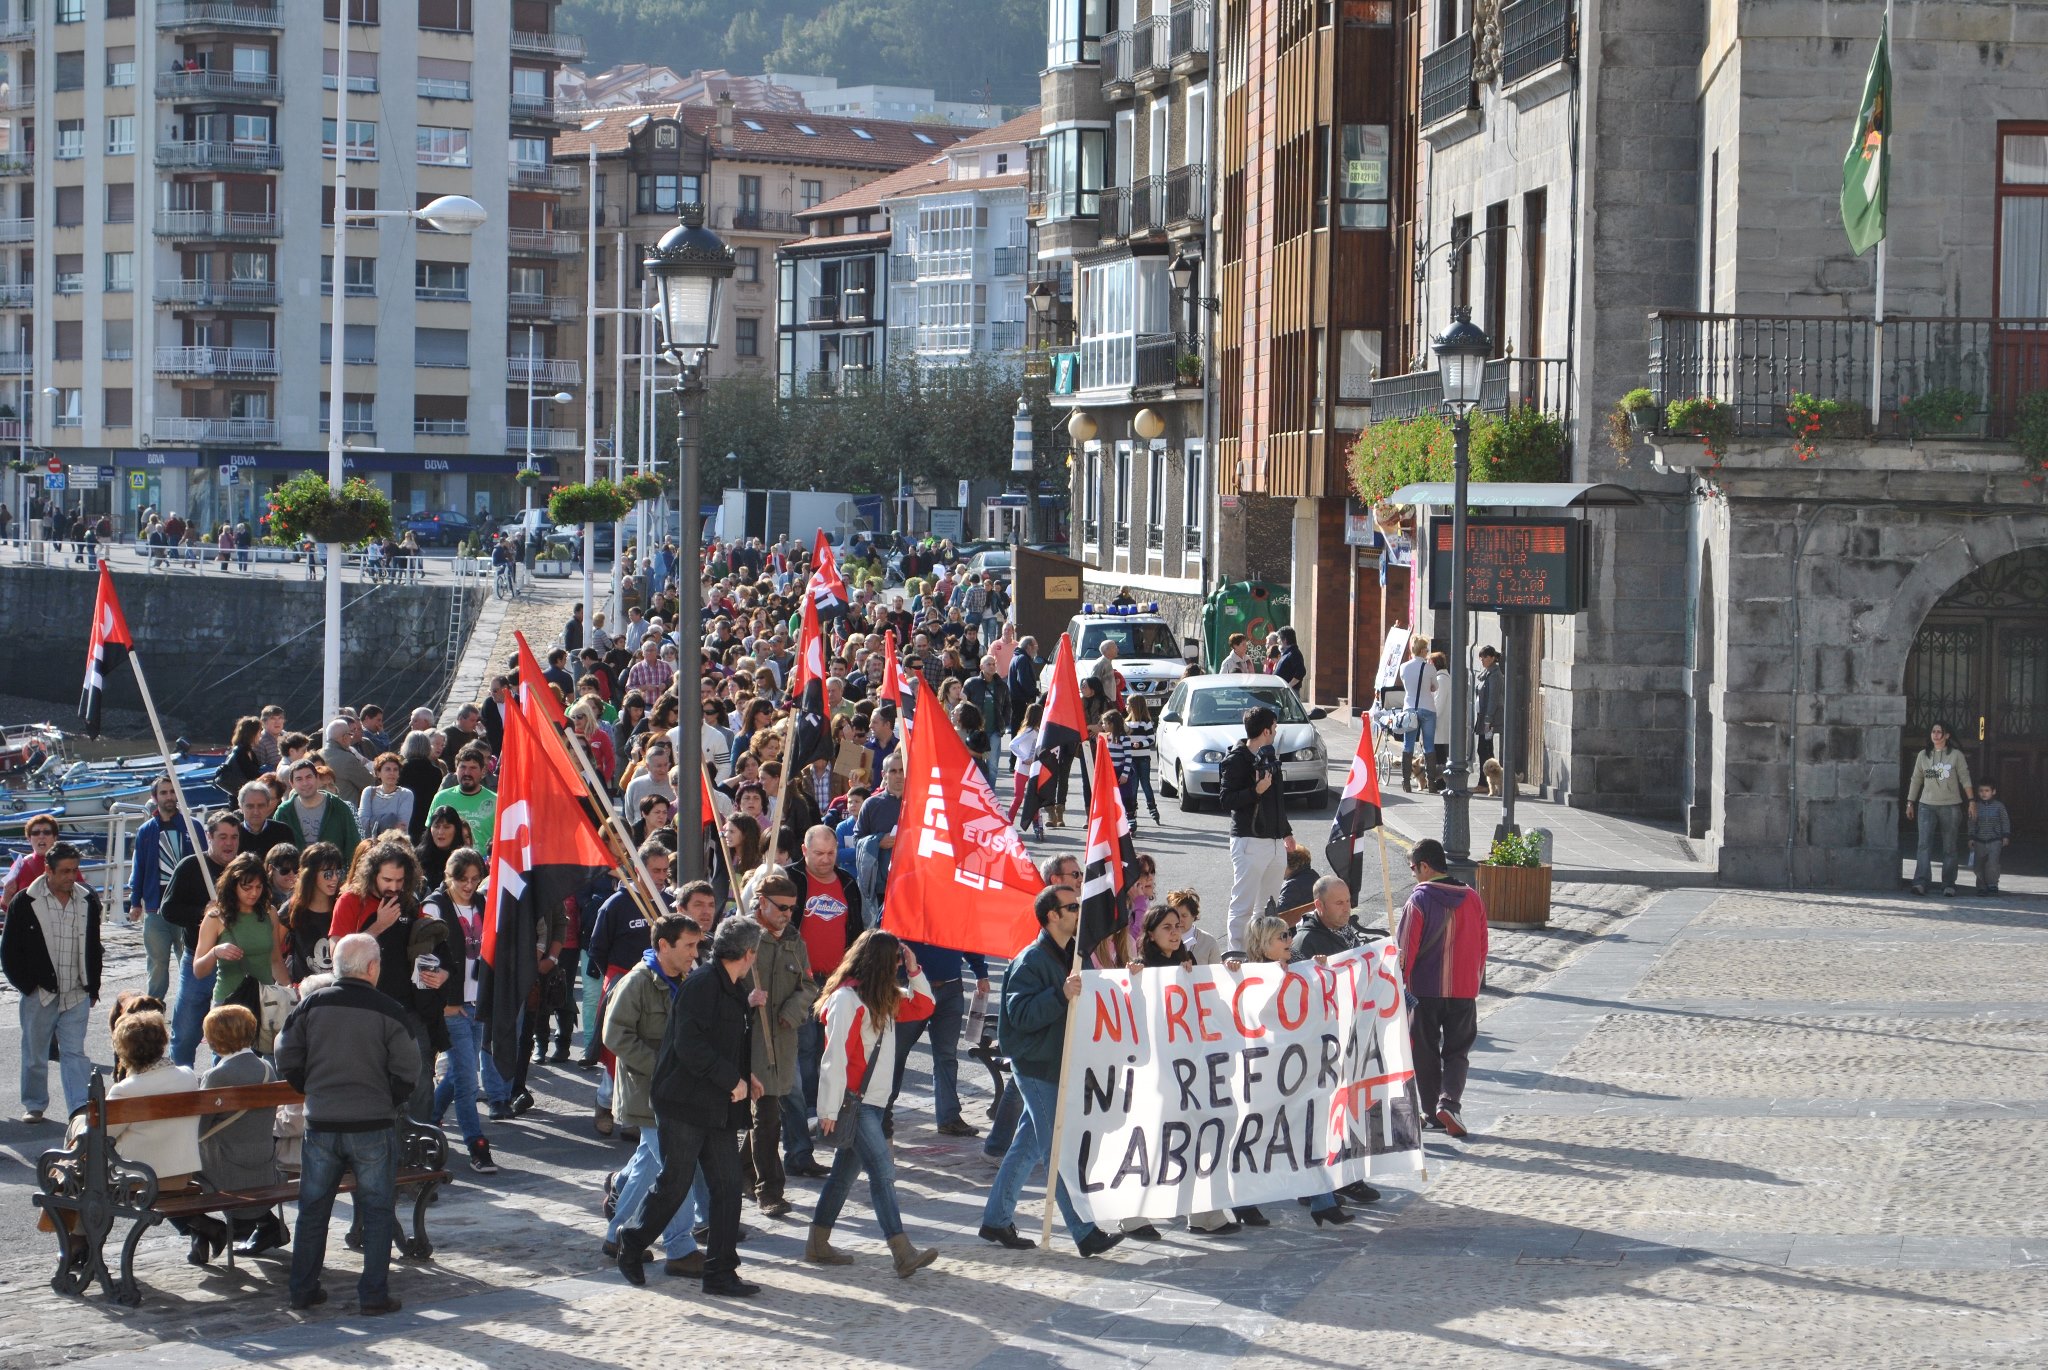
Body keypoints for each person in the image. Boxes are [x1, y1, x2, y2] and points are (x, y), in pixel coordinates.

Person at [613, 917, 763, 1296]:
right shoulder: (702, 985)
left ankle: (720, 1272)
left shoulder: (733, 985)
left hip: (717, 1105)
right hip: (683, 1102)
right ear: (749, 954)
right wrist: (732, 1080)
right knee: (675, 1184)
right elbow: (689, 1046)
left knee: (728, 1187)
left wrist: (747, 1075)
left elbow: (731, 1041)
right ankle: (631, 1243)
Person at [276, 932, 420, 1314]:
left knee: (313, 1209)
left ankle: (302, 1290)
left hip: (322, 1121)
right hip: (372, 1123)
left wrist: (310, 1088)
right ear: (372, 968)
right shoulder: (389, 1010)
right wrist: (387, 1097)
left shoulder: (310, 1006)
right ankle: (373, 1295)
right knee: (376, 1210)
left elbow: (285, 1054)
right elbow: (409, 1069)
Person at [978, 885, 1122, 1258]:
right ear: (1052, 916)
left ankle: (995, 1220)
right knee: (1055, 1149)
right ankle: (1084, 1232)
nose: (1079, 911)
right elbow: (1021, 1016)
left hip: (1062, 1062)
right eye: (1072, 906)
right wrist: (1061, 993)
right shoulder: (1031, 960)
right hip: (1038, 1065)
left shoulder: (1075, 955)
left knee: (1027, 1145)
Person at [806, 931, 939, 1276]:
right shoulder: (847, 1000)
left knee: (842, 1177)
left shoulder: (882, 996)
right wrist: (828, 1110)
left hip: (873, 1103)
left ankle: (817, 1244)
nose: (898, 966)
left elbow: (925, 1005)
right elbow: (834, 1058)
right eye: (895, 960)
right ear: (881, 964)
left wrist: (914, 968)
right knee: (882, 1171)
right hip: (857, 1103)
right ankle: (901, 1250)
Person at [781, 824, 863, 1174]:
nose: (826, 860)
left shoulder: (846, 881)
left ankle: (820, 1117)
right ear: (804, 850)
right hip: (800, 981)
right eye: (819, 854)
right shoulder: (790, 881)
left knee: (832, 1052)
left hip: (837, 982)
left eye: (831, 853)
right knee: (803, 1053)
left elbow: (857, 931)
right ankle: (805, 1126)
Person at [3, 842, 101, 1124]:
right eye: (65, 871)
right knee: (35, 1052)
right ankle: (34, 1104)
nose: (71, 876)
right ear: (48, 870)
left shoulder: (87, 900)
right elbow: (9, 951)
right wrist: (27, 986)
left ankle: (79, 1109)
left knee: (74, 1053)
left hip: (76, 990)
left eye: (75, 870)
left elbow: (94, 946)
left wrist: (92, 986)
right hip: (40, 991)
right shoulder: (25, 901)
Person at [1399, 839, 1489, 1140]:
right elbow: (1482, 944)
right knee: (1457, 1051)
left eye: (1413, 868)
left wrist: (1399, 983)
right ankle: (1449, 1102)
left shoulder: (1419, 900)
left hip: (1424, 989)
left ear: (1425, 866)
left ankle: (1431, 1110)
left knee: (1423, 1050)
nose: (1413, 874)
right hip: (1463, 989)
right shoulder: (1472, 898)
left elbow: (1406, 950)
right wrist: (1473, 981)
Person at [741, 875, 816, 1219]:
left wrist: (793, 1011)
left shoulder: (794, 941)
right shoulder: (741, 936)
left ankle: (744, 1173)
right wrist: (746, 1000)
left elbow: (808, 985)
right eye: (782, 907)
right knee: (767, 1117)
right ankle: (769, 1189)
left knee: (767, 1115)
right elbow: (718, 983)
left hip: (782, 1040)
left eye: (791, 908)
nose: (788, 914)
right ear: (762, 902)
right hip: (748, 1040)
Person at [422, 848, 498, 1175]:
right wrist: (444, 1000)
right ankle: (477, 1145)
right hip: (451, 1006)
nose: (469, 886)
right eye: (462, 879)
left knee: (458, 1073)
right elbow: (425, 960)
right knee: (468, 1078)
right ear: (447, 877)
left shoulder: (482, 904)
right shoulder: (433, 907)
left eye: (474, 879)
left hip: (476, 1001)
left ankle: (428, 1121)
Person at [199, 1004, 289, 1256]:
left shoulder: (215, 1076)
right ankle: (259, 1223)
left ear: (216, 1040)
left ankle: (202, 1229)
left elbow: (200, 1128)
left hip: (225, 1167)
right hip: (263, 1160)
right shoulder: (265, 1068)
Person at [164, 812, 241, 1066]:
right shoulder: (190, 866)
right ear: (208, 837)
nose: (228, 843)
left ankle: (221, 1084)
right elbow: (169, 910)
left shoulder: (243, 869)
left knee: (228, 1030)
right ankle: (180, 1085)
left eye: (233, 837)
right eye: (222, 837)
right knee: (186, 1029)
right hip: (198, 957)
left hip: (235, 959)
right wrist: (202, 911)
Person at [1218, 705, 1291, 956]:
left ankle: (1264, 954)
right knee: (1244, 905)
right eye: (1275, 727)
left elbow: (1278, 801)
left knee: (1269, 905)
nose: (1276, 731)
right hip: (1249, 840)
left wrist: (1287, 832)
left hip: (1273, 840)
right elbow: (1226, 800)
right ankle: (1237, 955)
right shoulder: (1236, 759)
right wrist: (1255, 791)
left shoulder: (1270, 757)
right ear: (1266, 730)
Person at [126, 779, 202, 1002]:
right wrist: (135, 902)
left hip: (185, 907)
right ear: (155, 797)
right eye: (163, 792)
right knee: (157, 962)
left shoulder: (192, 826)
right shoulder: (146, 830)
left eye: (172, 792)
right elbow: (139, 867)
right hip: (155, 907)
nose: (169, 796)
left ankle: (189, 1003)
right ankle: (154, 1005)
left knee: (186, 958)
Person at [192, 851, 288, 1019]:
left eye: (259, 887)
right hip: (228, 1003)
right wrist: (215, 952)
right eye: (247, 887)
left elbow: (276, 960)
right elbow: (198, 971)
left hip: (265, 1001)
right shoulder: (215, 917)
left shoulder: (269, 913)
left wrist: (289, 992)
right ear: (233, 885)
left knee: (268, 1046)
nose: (253, 893)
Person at [1905, 721, 1974, 897]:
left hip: (1950, 806)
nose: (1936, 735)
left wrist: (1971, 800)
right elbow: (1916, 779)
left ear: (1947, 735)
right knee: (1923, 845)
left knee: (1949, 847)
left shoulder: (1956, 755)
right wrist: (1910, 802)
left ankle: (1948, 884)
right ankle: (1921, 882)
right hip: (1926, 805)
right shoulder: (1923, 755)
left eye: (1939, 732)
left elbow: (1965, 777)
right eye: (1933, 731)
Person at [282, 843, 345, 984]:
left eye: (338, 872)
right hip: (304, 992)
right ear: (310, 875)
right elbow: (274, 955)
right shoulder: (292, 908)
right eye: (328, 873)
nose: (335, 878)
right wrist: (289, 988)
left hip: (337, 989)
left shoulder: (343, 905)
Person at [278, 757, 362, 855]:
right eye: (299, 779)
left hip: (333, 869)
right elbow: (277, 852)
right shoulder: (284, 812)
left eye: (309, 777)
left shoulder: (339, 808)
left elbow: (353, 847)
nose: (305, 783)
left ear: (317, 779)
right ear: (292, 784)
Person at [432, 744, 498, 858]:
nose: (467, 773)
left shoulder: (496, 801)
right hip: (448, 865)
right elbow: (430, 836)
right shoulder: (441, 798)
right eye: (462, 767)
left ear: (483, 772)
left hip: (484, 867)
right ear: (456, 770)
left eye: (473, 768)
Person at [1397, 635, 1439, 793]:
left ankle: (1406, 782)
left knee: (1408, 745)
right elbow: (1435, 687)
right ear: (1422, 650)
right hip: (1427, 707)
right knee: (1429, 746)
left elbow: (1406, 684)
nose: (1428, 652)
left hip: (1409, 709)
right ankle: (1432, 783)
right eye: (1427, 650)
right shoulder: (1430, 668)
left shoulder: (1404, 667)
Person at [319, 719, 376, 808]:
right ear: (344, 737)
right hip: (347, 812)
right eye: (350, 734)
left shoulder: (318, 755)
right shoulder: (347, 759)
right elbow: (370, 783)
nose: (351, 737)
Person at [357, 753, 414, 839]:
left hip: (396, 844)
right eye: (387, 769)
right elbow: (362, 823)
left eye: (395, 770)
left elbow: (401, 827)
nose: (392, 773)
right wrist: (390, 821)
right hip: (372, 846)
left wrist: (373, 822)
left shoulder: (406, 794)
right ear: (378, 773)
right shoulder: (369, 792)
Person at [1970, 780, 2012, 895]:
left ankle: (1992, 884)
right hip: (1979, 840)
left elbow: (2005, 821)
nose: (1984, 793)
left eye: (1987, 791)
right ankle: (1981, 886)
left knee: (1992, 863)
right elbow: (1971, 822)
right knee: (1978, 865)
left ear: (1993, 792)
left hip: (1995, 840)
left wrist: (2005, 835)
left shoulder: (1999, 806)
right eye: (1981, 791)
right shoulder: (1975, 806)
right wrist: (1971, 837)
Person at [1473, 646, 1503, 770]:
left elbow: (1493, 699)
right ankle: (1485, 782)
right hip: (1483, 717)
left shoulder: (1495, 675)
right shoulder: (1486, 673)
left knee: (1485, 749)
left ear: (1492, 658)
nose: (1482, 660)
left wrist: (1488, 720)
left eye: (1485, 657)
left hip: (1488, 720)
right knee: (1484, 749)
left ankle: (1486, 782)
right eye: (1481, 658)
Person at [1272, 626, 1307, 694]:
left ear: (1285, 640)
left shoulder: (1294, 653)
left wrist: (1288, 686)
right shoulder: (1288, 653)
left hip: (1289, 693)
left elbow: (1301, 672)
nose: (1277, 641)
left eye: (1279, 638)